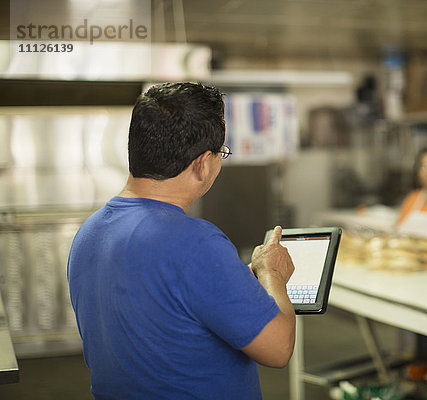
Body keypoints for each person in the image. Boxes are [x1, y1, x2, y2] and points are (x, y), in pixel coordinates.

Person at [67, 82, 296, 400]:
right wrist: (273, 274)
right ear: (203, 164)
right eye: (221, 154)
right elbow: (279, 348)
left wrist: (236, 278)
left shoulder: (89, 232)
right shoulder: (195, 243)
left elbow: (161, 309)